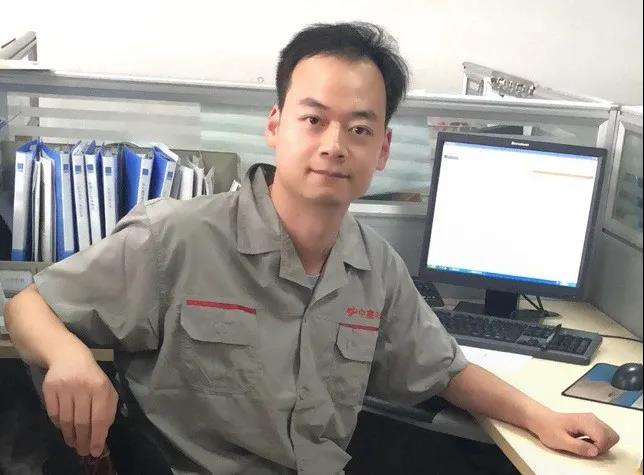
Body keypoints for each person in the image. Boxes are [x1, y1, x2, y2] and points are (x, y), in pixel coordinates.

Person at [5, 22, 619, 474]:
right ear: (275, 126)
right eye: (314, 119)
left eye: (359, 128)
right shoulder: (177, 238)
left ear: (382, 150)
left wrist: (544, 418)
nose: (334, 145)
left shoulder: (375, 267)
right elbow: (29, 305)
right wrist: (68, 356)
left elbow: (445, 371)